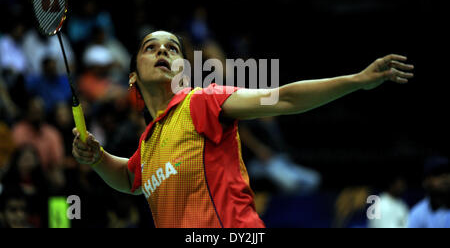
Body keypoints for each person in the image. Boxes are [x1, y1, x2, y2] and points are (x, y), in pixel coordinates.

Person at [72, 30, 414, 228]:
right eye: (151, 47)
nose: (162, 50)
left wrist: (356, 80)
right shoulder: (147, 143)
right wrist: (97, 157)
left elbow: (282, 100)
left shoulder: (201, 102)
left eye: (172, 48)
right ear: (133, 75)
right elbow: (131, 180)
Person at [408, 156, 450, 228]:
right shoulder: (418, 214)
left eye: (448, 172)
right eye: (438, 174)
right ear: (426, 181)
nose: (445, 177)